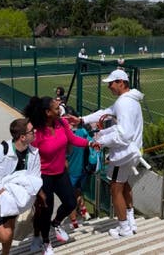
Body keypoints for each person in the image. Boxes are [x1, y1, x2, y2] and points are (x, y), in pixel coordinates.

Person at [68, 69, 143, 239]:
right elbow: (105, 111)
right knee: (124, 185)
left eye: (111, 83)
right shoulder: (128, 100)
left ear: (121, 83)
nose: (109, 86)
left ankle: (124, 228)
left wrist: (100, 142)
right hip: (131, 152)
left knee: (115, 189)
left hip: (124, 154)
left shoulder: (124, 103)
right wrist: (81, 120)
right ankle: (130, 221)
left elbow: (124, 134)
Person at [23, 96, 99, 254]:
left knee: (71, 203)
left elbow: (73, 139)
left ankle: (56, 223)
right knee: (45, 210)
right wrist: (37, 188)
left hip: (60, 173)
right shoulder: (37, 133)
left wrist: (90, 143)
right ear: (47, 112)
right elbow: (30, 160)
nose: (60, 110)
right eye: (56, 108)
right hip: (43, 176)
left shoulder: (62, 123)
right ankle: (45, 241)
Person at [0, 118, 42, 255]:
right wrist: (2, 192)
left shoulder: (34, 153)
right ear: (22, 137)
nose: (35, 132)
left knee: (10, 229)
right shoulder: (0, 150)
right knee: (6, 235)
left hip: (15, 196)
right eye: (32, 131)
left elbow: (35, 178)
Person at [66, 110, 93, 229]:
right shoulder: (83, 132)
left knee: (69, 198)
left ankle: (74, 223)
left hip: (70, 172)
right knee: (78, 192)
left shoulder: (65, 135)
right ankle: (83, 210)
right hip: (83, 170)